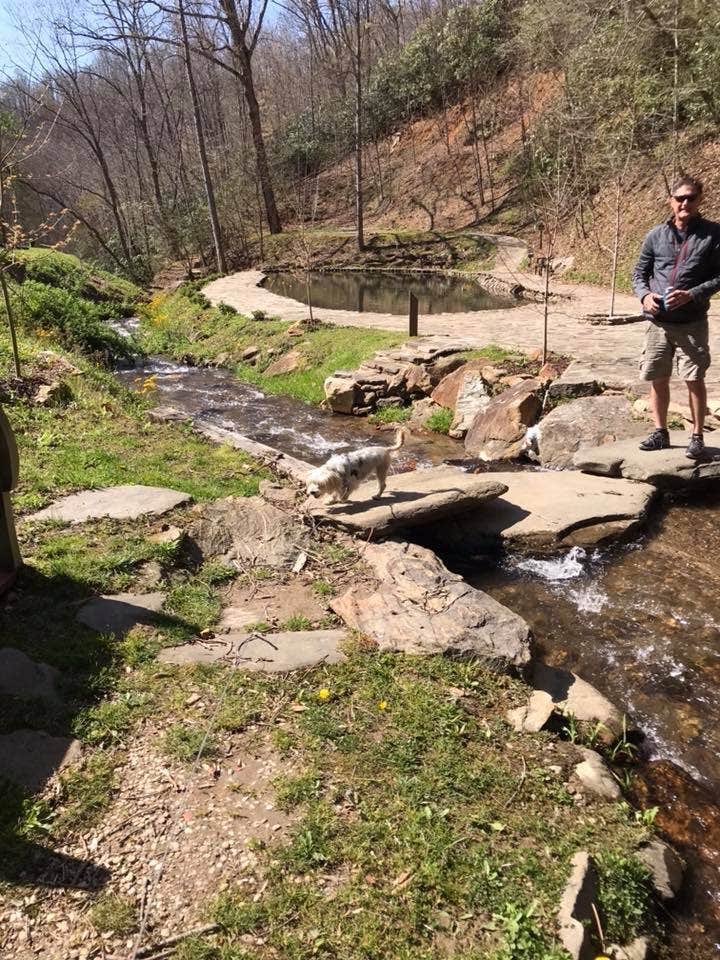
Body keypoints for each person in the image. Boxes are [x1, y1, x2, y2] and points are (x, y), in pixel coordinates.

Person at [632, 175, 720, 459]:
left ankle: (697, 436)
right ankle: (660, 432)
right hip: (657, 323)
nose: (685, 203)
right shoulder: (656, 235)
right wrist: (645, 296)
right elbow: (639, 273)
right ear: (671, 200)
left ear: (699, 200)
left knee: (694, 379)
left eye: (691, 198)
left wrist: (692, 294)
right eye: (680, 198)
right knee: (658, 377)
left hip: (692, 323)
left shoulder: (713, 235)